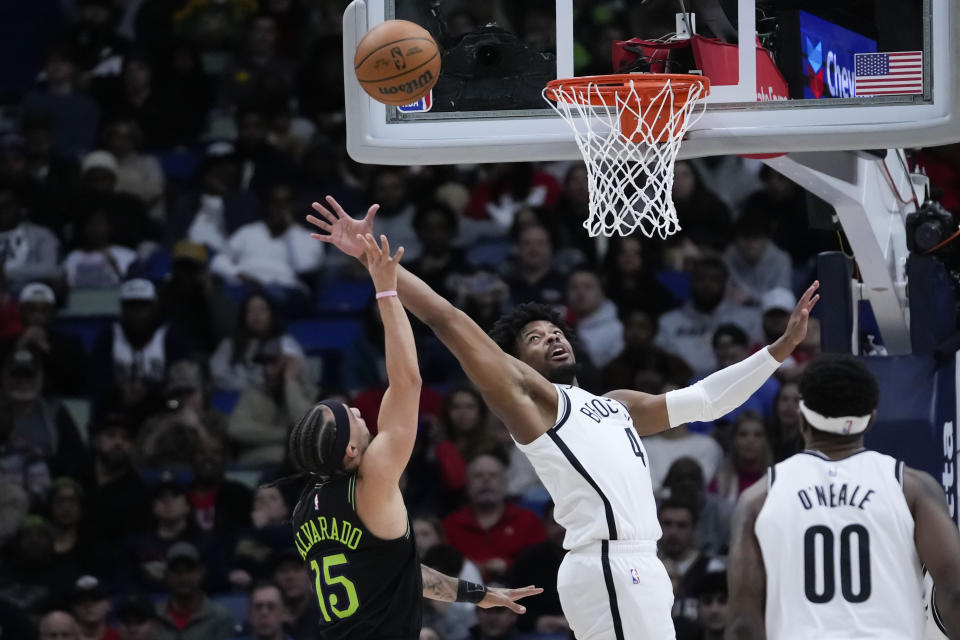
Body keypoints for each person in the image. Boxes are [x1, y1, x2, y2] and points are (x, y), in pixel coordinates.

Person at [308, 196, 818, 640]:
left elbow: (706, 400)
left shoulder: (616, 404)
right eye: (534, 338)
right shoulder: (534, 404)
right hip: (606, 565)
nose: (551, 337)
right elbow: (447, 318)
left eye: (554, 331)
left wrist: (777, 351)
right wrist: (374, 257)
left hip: (641, 564)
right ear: (516, 364)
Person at [284, 234, 541, 639]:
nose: (353, 408)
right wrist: (386, 289)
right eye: (343, 415)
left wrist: (477, 594)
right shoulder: (372, 482)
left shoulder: (305, 509)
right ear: (350, 450)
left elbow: (394, 572)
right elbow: (407, 382)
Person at [726, 354, 960, 639]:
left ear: (801, 419)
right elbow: (954, 593)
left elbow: (743, 621)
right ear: (871, 419)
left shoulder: (758, 498)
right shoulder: (911, 487)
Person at [153, 542, 235, 640]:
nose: (183, 577)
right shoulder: (154, 617)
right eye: (176, 571)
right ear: (166, 575)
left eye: (189, 570)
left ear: (201, 573)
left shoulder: (220, 618)